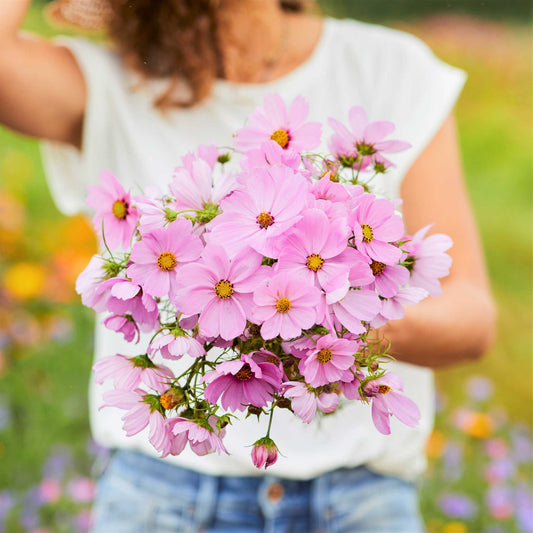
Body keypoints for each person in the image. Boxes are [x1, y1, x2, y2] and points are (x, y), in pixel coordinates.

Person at [0, 1, 496, 531]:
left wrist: (339, 330)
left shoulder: (389, 68)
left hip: (359, 501)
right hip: (164, 496)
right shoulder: (110, 80)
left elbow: (471, 318)